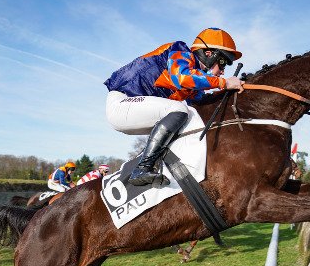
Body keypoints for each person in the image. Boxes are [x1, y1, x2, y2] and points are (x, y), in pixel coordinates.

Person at [104, 27, 244, 186]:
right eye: (223, 63)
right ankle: (143, 168)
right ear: (209, 54)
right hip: (122, 104)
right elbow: (182, 77)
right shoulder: (180, 50)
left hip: (134, 110)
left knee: (190, 117)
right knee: (179, 109)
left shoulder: (194, 82)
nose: (223, 71)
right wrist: (224, 83)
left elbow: (202, 104)